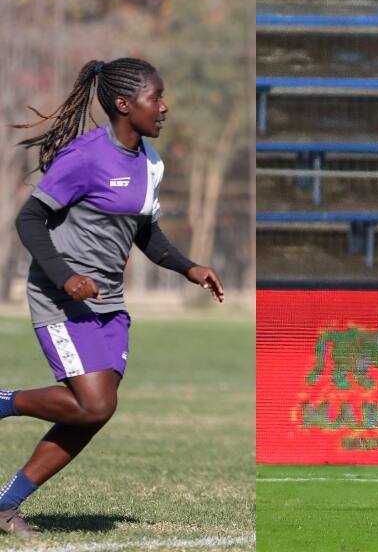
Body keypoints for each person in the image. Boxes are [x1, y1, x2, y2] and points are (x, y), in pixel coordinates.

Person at [0, 58, 224, 537]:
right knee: (96, 406)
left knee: (91, 413)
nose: (164, 108)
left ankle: (5, 506)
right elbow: (28, 220)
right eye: (155, 98)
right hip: (60, 298)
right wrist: (65, 277)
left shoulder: (151, 163)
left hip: (109, 304)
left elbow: (146, 232)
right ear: (125, 105)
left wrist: (191, 268)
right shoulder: (84, 157)